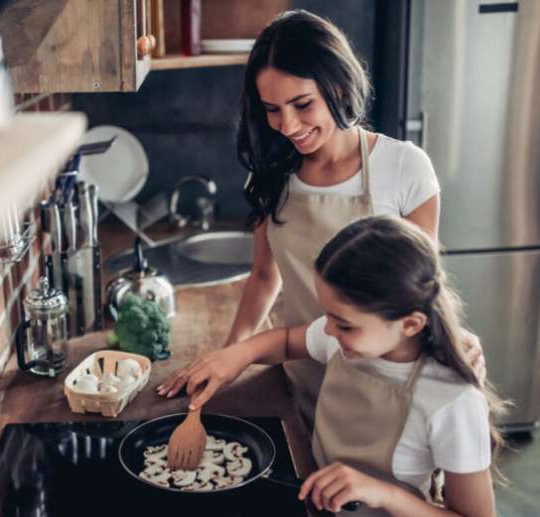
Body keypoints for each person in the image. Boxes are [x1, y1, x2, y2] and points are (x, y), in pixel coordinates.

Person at [157, 9, 486, 424]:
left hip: (387, 391)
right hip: (303, 378)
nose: (287, 125)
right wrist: (232, 355)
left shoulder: (405, 167)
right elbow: (263, 277)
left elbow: (422, 290)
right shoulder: (271, 173)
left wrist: (456, 345)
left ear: (337, 84)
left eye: (302, 103)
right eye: (271, 109)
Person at [167, 216, 505, 517]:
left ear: (410, 325)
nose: (327, 330)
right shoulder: (344, 340)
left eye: (344, 324)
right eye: (327, 316)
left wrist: (383, 493)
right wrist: (237, 355)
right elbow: (285, 341)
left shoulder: (452, 402)